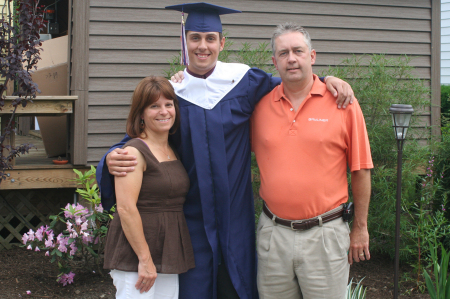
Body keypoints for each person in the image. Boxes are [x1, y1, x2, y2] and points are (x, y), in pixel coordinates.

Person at [97, 3, 355, 299]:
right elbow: (143, 133)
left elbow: (294, 84)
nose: (202, 46)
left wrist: (327, 80)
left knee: (238, 287)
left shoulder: (243, 82)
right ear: (185, 42)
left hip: (236, 216)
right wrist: (112, 155)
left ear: (222, 43)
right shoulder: (174, 93)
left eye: (209, 38)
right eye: (195, 38)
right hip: (191, 218)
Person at [251, 23, 373, 299]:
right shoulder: (259, 108)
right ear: (274, 61)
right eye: (283, 53)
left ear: (312, 56)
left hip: (325, 235)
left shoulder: (343, 103)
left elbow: (361, 170)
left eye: (298, 51)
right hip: (273, 235)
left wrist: (360, 228)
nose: (291, 58)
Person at [103, 76, 195, 299]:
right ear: (141, 113)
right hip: (136, 255)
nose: (164, 111)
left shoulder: (172, 149)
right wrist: (144, 260)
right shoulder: (133, 152)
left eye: (168, 104)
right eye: (154, 106)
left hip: (168, 251)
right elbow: (125, 209)